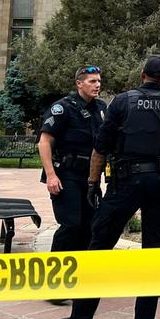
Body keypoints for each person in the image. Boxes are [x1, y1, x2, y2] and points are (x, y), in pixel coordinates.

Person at [58, 55, 160, 319]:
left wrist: (91, 182)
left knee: (99, 246)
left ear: (143, 74)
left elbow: (101, 145)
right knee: (152, 251)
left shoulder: (121, 102)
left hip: (125, 182)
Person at [38, 66, 107, 260]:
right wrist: (51, 175)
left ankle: (81, 272)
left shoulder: (101, 108)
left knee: (89, 225)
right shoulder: (63, 108)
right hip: (66, 174)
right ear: (79, 83)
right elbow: (44, 142)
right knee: (71, 224)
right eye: (92, 81)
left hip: (90, 176)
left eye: (99, 81)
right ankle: (56, 271)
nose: (97, 85)